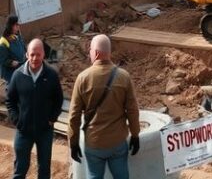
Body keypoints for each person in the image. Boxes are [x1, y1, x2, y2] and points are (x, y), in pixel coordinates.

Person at [68, 34, 140, 179]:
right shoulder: (124, 76)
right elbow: (132, 110)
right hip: (117, 142)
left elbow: (74, 116)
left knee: (94, 175)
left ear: (95, 53)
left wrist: (73, 143)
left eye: (90, 51)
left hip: (94, 143)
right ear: (109, 52)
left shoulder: (83, 78)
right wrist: (135, 134)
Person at [6, 38, 64, 179]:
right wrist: (17, 121)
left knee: (44, 169)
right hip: (23, 131)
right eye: (32, 54)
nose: (35, 58)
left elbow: (58, 99)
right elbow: (10, 101)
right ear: (27, 54)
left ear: (44, 54)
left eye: (38, 54)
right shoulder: (18, 75)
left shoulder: (51, 75)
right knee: (20, 169)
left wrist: (52, 119)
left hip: (44, 131)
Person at [0, 15, 26, 84]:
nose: (18, 26)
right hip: (10, 74)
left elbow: (24, 49)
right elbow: (3, 60)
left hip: (21, 69)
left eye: (18, 24)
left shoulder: (17, 36)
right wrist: (11, 62)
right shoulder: (4, 41)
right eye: (16, 24)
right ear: (10, 26)